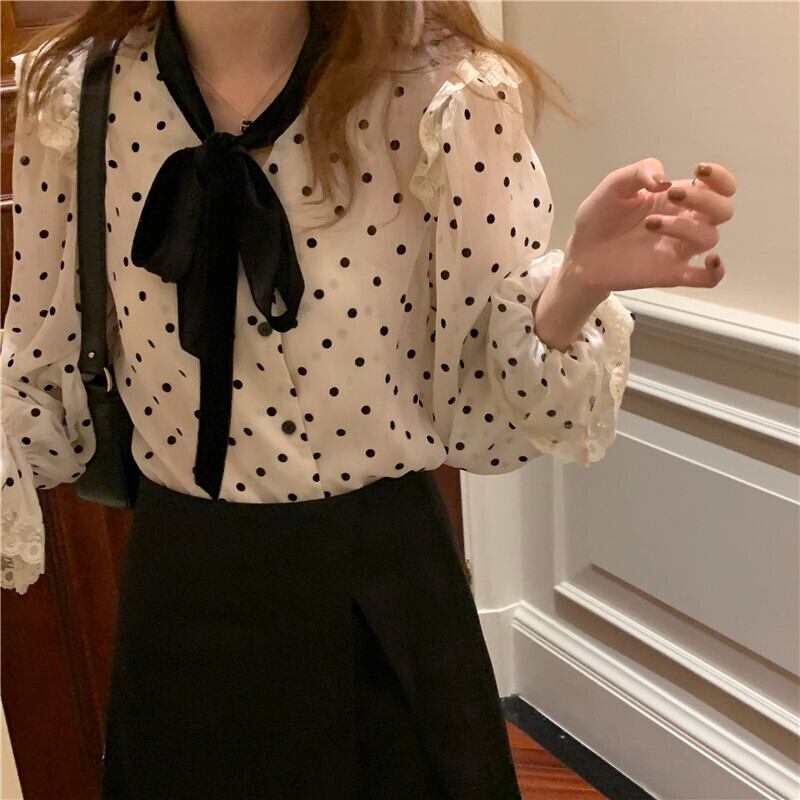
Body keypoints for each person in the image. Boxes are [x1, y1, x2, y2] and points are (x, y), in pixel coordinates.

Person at [1, 1, 735, 798]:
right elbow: (43, 385)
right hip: (184, 594)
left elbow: (485, 410)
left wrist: (577, 285)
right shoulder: (75, 97)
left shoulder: (442, 91)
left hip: (385, 593)